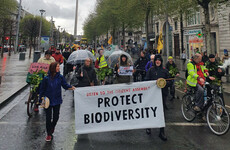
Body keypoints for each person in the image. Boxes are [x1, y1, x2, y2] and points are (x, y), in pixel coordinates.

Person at [39, 62, 75, 142]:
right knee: (48, 117)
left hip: (57, 100)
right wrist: (40, 100)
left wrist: (71, 87)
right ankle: (48, 134)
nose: (59, 68)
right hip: (48, 100)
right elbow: (42, 89)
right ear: (53, 68)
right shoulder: (46, 79)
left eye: (59, 66)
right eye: (57, 66)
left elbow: (64, 85)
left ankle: (52, 126)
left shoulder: (60, 77)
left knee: (56, 116)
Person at [145, 54, 169, 141]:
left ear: (161, 61)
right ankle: (149, 126)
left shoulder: (165, 71)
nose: (157, 62)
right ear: (154, 61)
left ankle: (161, 132)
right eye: (156, 60)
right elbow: (146, 80)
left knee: (161, 113)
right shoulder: (151, 70)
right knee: (151, 111)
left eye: (159, 60)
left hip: (162, 94)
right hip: (152, 95)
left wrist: (165, 83)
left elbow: (170, 81)